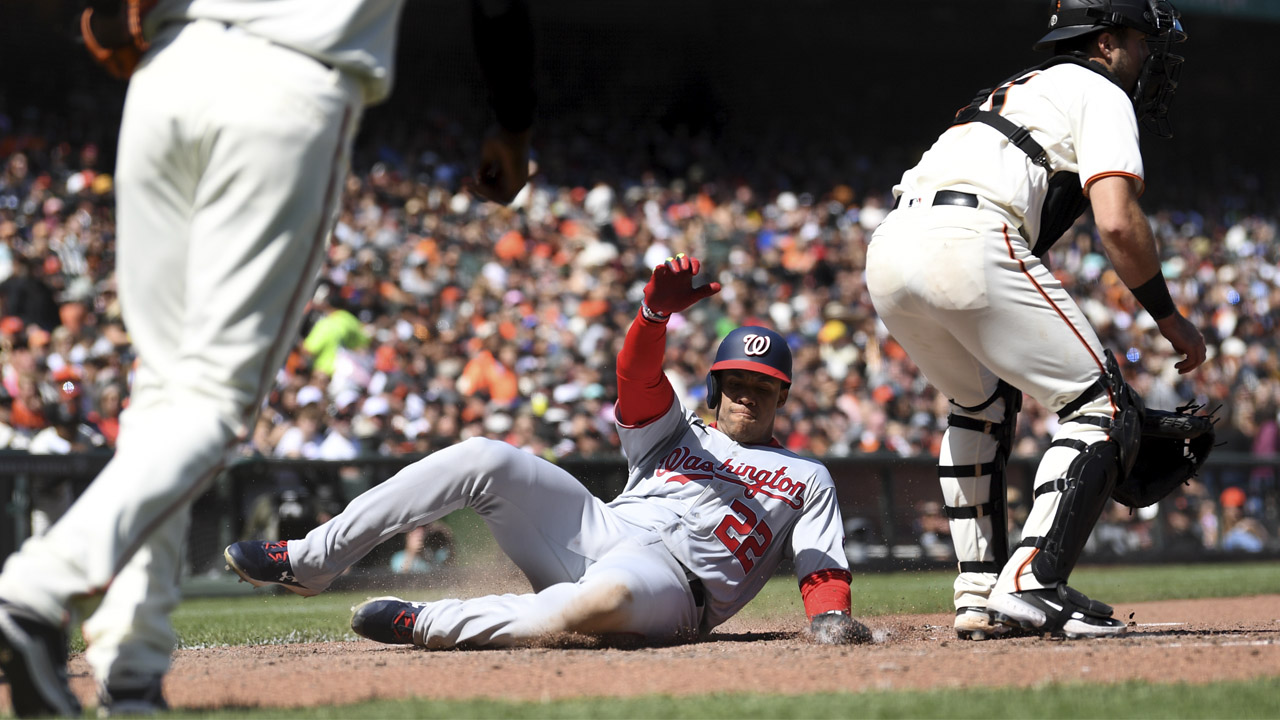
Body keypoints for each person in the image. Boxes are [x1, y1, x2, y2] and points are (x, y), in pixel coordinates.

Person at [0, 1, 536, 716]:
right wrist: (514, 119)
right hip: (288, 81)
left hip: (170, 72)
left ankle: (133, 665)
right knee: (213, 404)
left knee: (163, 394)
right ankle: (34, 591)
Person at [224, 255, 868, 650]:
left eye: (765, 388)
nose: (750, 397)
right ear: (716, 387)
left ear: (782, 398)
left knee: (599, 604)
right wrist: (651, 316)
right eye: (739, 384)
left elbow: (822, 568)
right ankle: (309, 560)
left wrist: (833, 621)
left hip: (672, 587)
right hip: (601, 527)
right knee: (484, 455)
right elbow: (637, 380)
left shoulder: (805, 475)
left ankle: (429, 624)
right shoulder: (681, 433)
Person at [865, 0, 1205, 640]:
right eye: (1140, 44)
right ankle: (1032, 581)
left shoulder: (1010, 94)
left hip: (889, 247)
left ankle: (978, 591)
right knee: (1103, 403)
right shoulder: (1099, 89)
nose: (1147, 60)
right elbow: (1116, 219)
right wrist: (1170, 318)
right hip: (968, 237)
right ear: (1105, 42)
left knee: (981, 404)